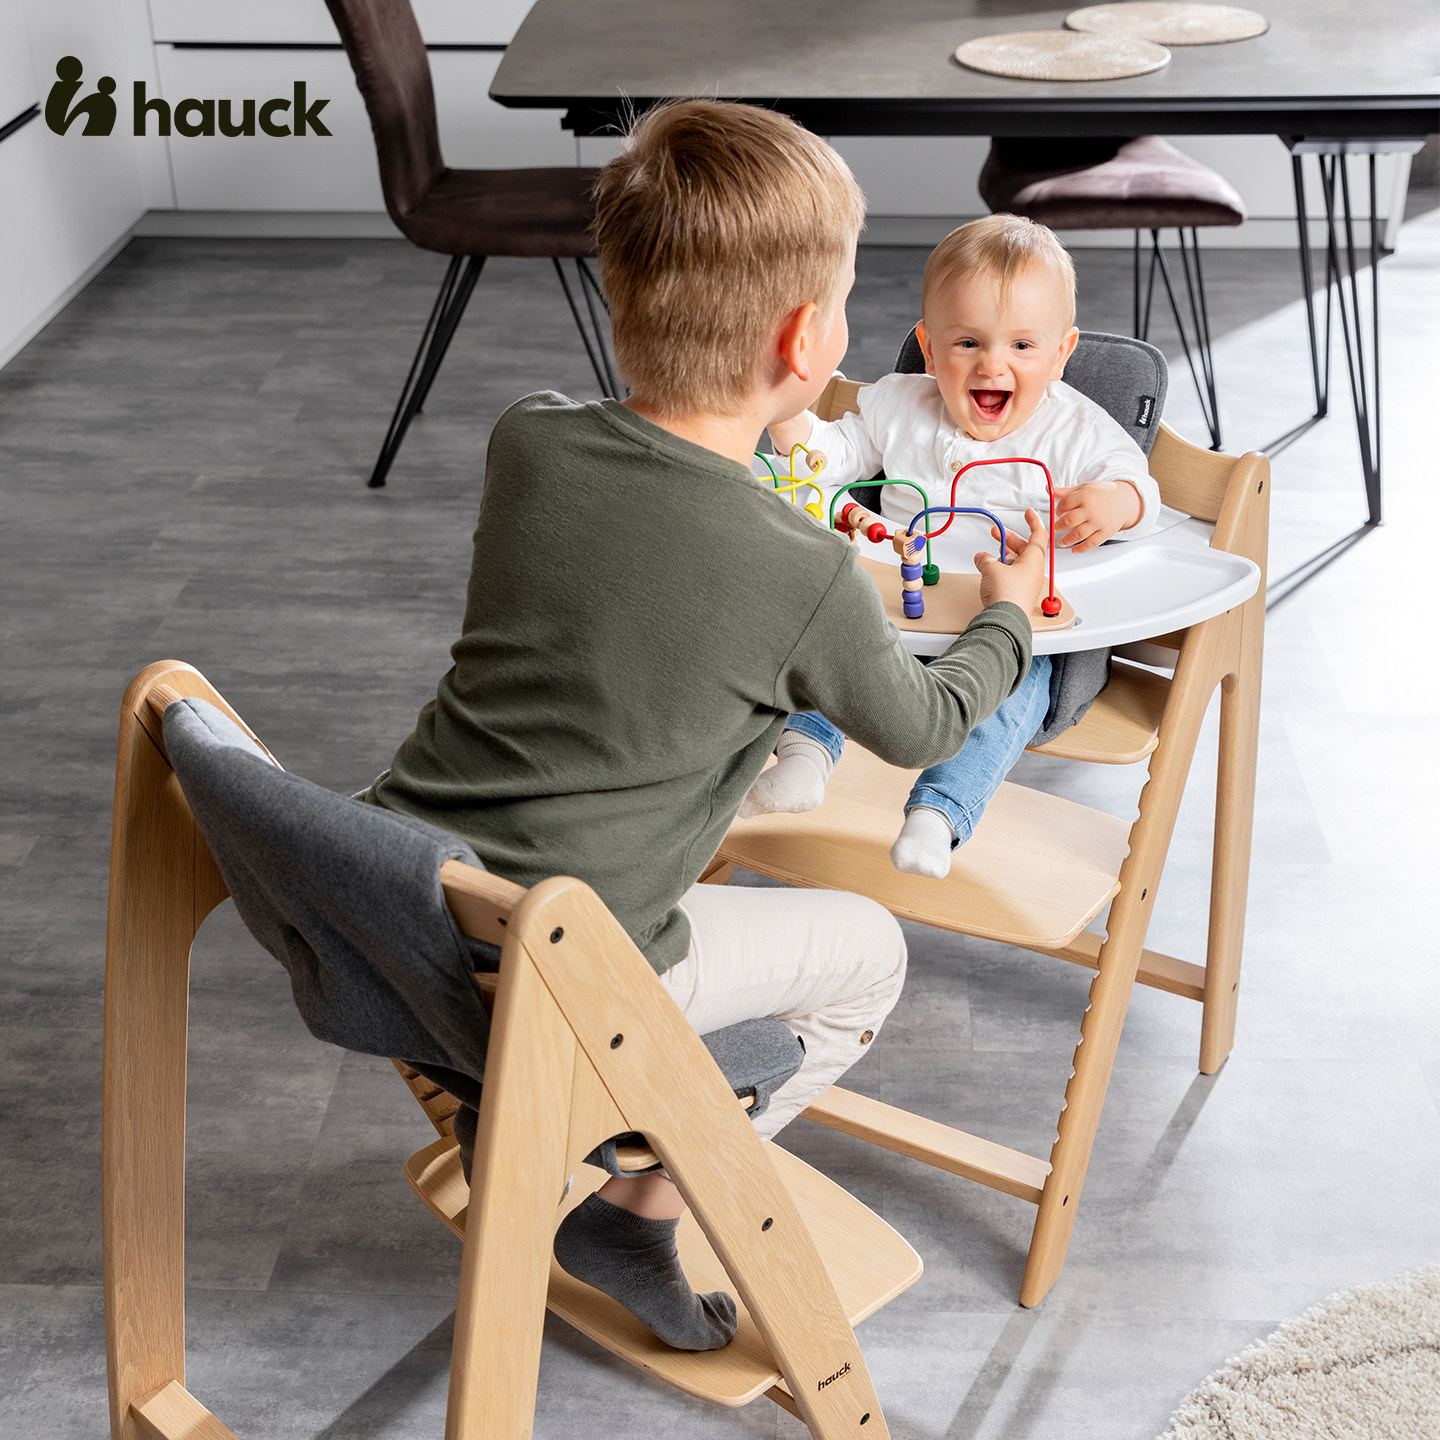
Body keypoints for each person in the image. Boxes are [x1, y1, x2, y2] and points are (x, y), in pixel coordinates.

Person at [361, 102, 1048, 1352]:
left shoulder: (529, 440)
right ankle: (640, 1204)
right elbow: (923, 724)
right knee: (870, 955)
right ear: (804, 340)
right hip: (576, 967)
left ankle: (540, 1114)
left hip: (413, 922)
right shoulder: (804, 574)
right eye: (845, 301)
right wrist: (1009, 618)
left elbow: (651, 576)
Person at [749, 214, 1162, 879]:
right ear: (930, 346)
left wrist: (1117, 503)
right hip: (899, 610)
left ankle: (938, 815)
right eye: (967, 342)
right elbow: (830, 459)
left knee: (1012, 699)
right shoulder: (898, 403)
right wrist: (784, 411)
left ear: (1062, 353)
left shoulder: (1077, 431)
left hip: (1011, 627)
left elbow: (1142, 490)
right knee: (828, 645)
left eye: (1022, 345)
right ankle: (803, 761)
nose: (992, 363)